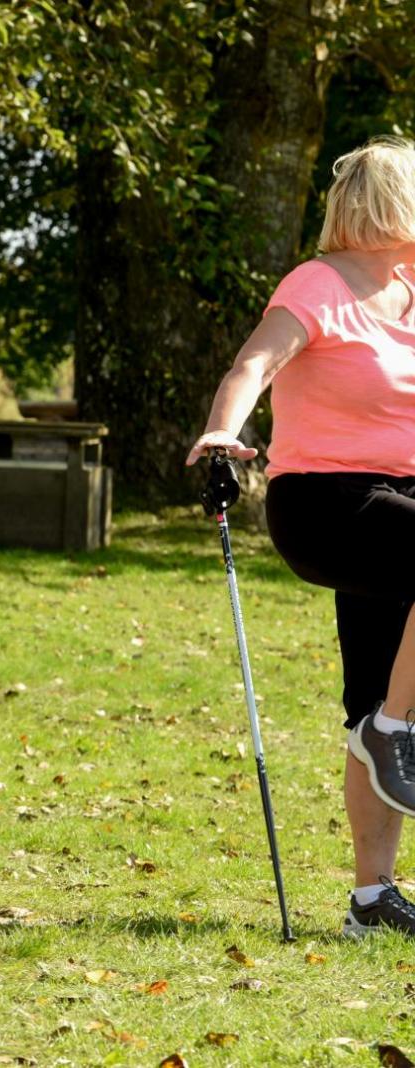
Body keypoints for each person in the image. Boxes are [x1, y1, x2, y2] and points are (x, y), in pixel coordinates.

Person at [188, 136, 415, 937]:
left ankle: (370, 902)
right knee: (394, 718)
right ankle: (394, 733)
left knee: (376, 698)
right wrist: (223, 433)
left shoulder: (414, 292)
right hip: (328, 504)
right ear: (395, 207)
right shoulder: (316, 286)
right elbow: (252, 367)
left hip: (405, 511)